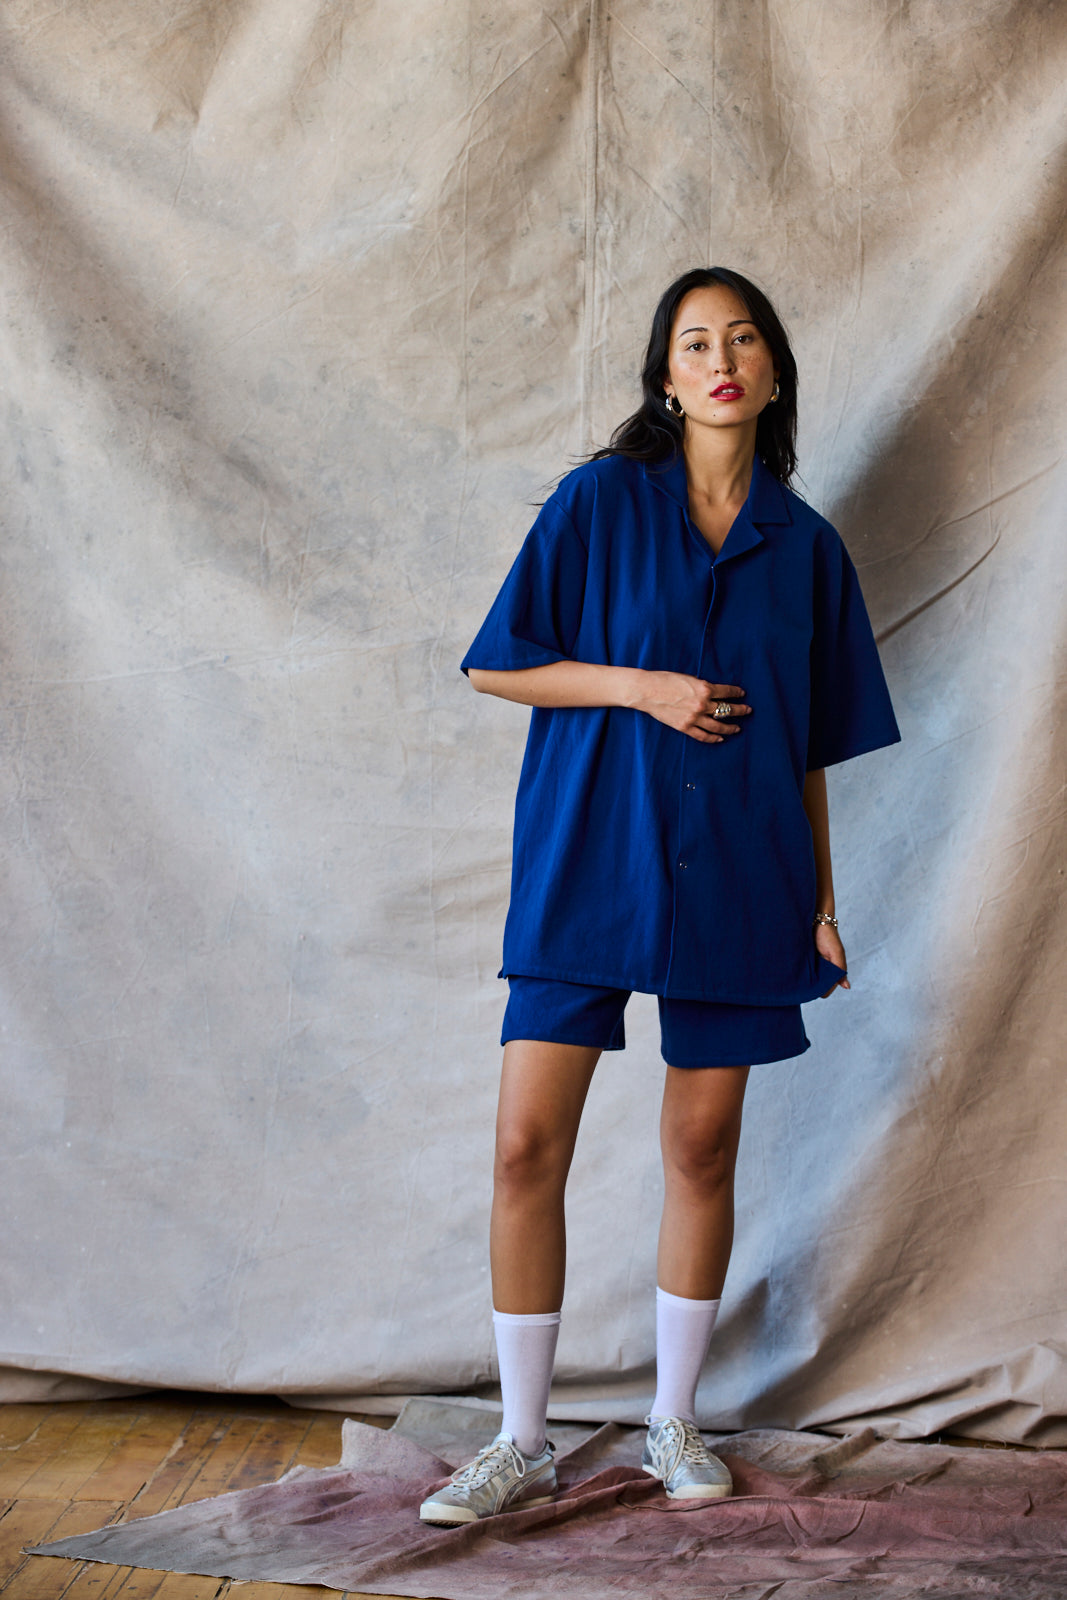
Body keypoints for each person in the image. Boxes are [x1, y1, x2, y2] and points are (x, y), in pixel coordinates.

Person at [419, 267, 900, 1525]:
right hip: (588, 853)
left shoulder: (806, 549)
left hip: (744, 868)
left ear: (772, 371)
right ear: (665, 377)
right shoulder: (596, 502)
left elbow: (802, 749)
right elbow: (496, 665)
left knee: (700, 1145)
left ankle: (671, 1421)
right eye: (694, 343)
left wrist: (820, 901)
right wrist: (642, 687)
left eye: (741, 339)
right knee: (525, 1145)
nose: (719, 360)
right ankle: (521, 1439)